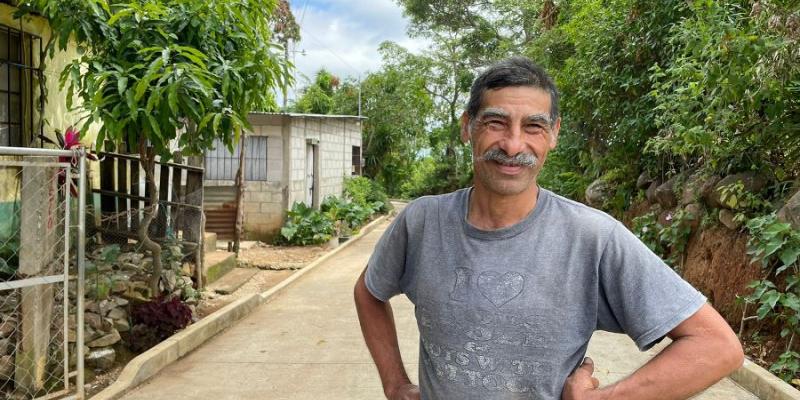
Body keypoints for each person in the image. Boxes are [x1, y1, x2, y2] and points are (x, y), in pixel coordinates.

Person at [353, 56, 744, 400]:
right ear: (467, 127)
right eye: (495, 122)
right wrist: (394, 384)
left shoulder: (593, 238)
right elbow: (369, 292)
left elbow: (716, 347)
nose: (512, 144)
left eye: (534, 127)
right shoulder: (421, 222)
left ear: (554, 134)